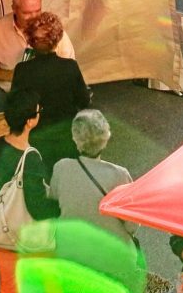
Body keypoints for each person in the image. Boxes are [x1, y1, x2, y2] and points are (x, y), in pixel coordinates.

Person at [49, 111, 142, 291]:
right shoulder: (119, 175)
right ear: (105, 139)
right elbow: (132, 225)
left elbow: (55, 201)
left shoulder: (61, 168)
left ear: (75, 139)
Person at [0, 88, 60, 293]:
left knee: (10, 284)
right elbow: (37, 206)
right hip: (27, 237)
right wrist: (59, 208)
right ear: (29, 121)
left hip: (1, 230)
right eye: (38, 111)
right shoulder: (31, 158)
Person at [10, 12, 92, 170]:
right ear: (58, 39)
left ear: (30, 40)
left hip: (35, 135)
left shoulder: (22, 70)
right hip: (66, 133)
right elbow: (83, 100)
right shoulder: (70, 67)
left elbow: (15, 105)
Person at [0, 0, 75, 101]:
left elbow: (69, 68)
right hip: (12, 93)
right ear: (14, 8)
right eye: (27, 13)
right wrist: (13, 76)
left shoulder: (53, 29)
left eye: (37, 11)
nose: (34, 18)